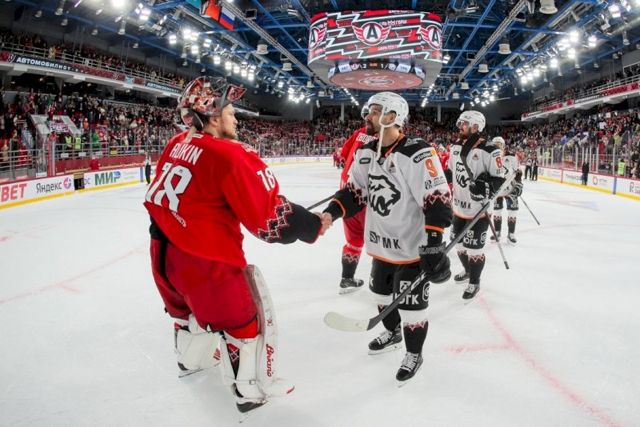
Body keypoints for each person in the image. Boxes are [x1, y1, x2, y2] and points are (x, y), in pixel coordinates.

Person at [143, 76, 331, 413]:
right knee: (243, 323)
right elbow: (271, 221)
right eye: (231, 112)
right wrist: (312, 225)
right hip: (206, 260)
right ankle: (248, 391)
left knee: (186, 313)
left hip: (162, 252)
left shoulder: (176, 143)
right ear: (213, 115)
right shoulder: (231, 154)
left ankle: (191, 361)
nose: (236, 119)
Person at [321, 92, 452, 382]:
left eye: (374, 111)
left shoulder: (417, 152)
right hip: (380, 246)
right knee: (380, 296)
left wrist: (434, 245)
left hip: (411, 250)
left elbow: (438, 198)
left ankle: (414, 353)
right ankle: (392, 333)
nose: (367, 116)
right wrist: (331, 213)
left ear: (391, 117)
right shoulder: (366, 152)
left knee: (412, 309)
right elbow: (354, 192)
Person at [447, 111, 505, 299]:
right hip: (458, 208)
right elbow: (450, 173)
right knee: (458, 246)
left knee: (474, 249)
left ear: (475, 127)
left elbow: (499, 180)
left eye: (463, 123)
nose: (459, 126)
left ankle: (474, 282)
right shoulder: (455, 147)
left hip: (479, 210)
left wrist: (485, 187)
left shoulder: (491, 150)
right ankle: (467, 271)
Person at [335, 113, 377, 294]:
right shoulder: (386, 138)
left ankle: (347, 278)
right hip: (370, 198)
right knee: (382, 240)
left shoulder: (359, 133)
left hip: (347, 194)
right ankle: (382, 284)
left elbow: (344, 155)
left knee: (353, 239)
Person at [489, 137, 523, 244]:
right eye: (495, 144)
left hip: (510, 188)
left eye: (499, 144)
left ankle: (511, 234)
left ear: (503, 146)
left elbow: (518, 173)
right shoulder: (490, 156)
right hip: (497, 189)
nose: (497, 146)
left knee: (513, 211)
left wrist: (519, 184)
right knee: (496, 211)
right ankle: (497, 232)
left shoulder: (512, 157)